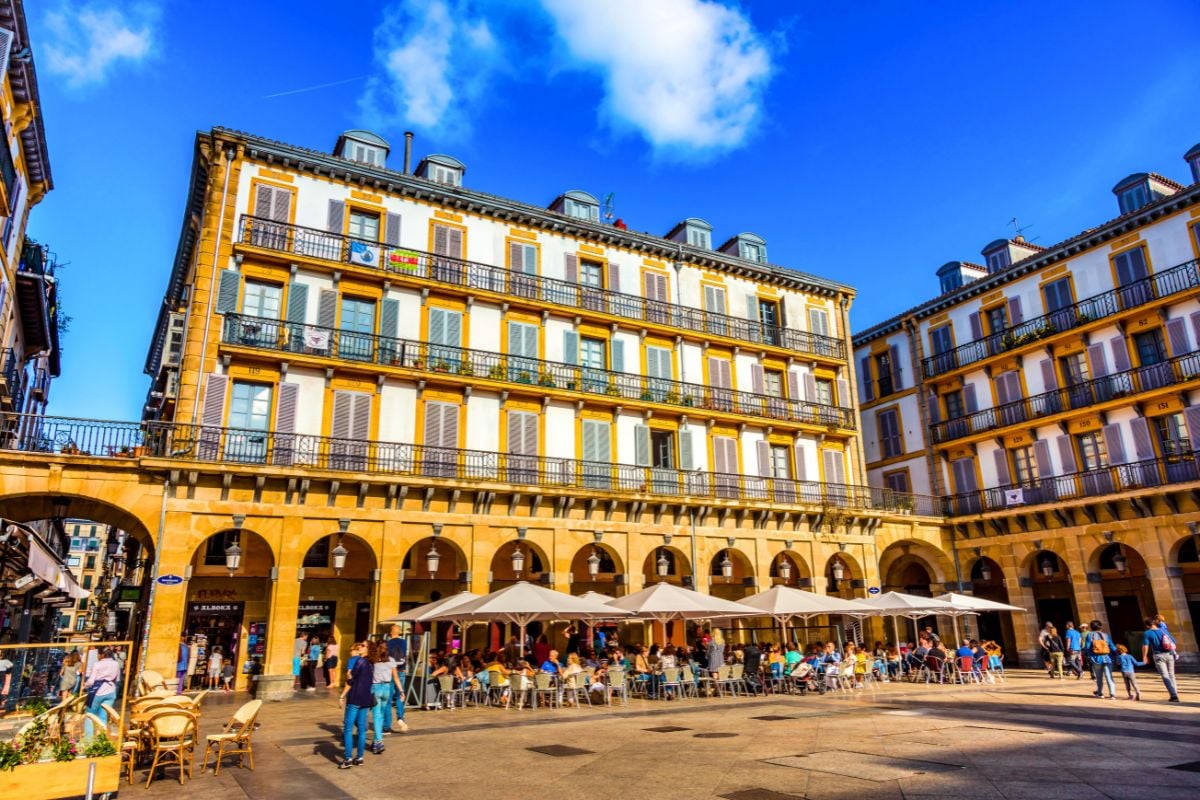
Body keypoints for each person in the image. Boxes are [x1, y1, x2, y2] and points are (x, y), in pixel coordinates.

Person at [338, 642, 372, 769]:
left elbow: (351, 680)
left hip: (355, 698)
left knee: (348, 729)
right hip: (365, 699)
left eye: (363, 645)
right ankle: (360, 757)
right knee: (362, 729)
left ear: (368, 649)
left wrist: (342, 695)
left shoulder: (360, 661)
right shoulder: (371, 663)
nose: (360, 647)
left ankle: (348, 759)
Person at [367, 641, 402, 754]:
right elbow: (396, 677)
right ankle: (375, 740)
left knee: (377, 716)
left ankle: (379, 742)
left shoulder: (373, 661)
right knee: (380, 716)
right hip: (387, 688)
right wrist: (401, 691)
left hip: (376, 688)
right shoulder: (391, 660)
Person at [1141, 616, 1180, 703]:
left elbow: (1145, 645)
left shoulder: (1147, 633)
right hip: (1170, 654)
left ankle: (1174, 695)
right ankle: (1174, 693)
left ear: (1147, 625)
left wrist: (1144, 656)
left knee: (1165, 675)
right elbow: (1174, 640)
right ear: (1154, 623)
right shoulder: (1163, 630)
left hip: (1158, 656)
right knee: (1171, 674)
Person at [84, 648, 120, 736]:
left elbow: (91, 681)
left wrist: (85, 685)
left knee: (90, 715)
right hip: (111, 691)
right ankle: (101, 737)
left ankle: (89, 739)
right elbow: (117, 679)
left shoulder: (97, 664)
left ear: (102, 655)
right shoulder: (116, 664)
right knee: (103, 716)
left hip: (98, 691)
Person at [384, 625, 409, 733]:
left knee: (388, 700)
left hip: (390, 672)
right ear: (400, 632)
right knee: (400, 696)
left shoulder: (387, 643)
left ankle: (386, 726)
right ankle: (400, 717)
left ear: (391, 632)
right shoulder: (404, 642)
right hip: (401, 671)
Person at [1084, 620, 1116, 699]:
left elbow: (1087, 647)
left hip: (1096, 658)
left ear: (1091, 627)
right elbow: (1112, 646)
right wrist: (1117, 655)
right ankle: (1112, 694)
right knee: (1109, 676)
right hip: (1107, 658)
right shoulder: (1105, 635)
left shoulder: (1089, 635)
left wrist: (1088, 655)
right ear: (1100, 626)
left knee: (1099, 677)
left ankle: (1100, 693)